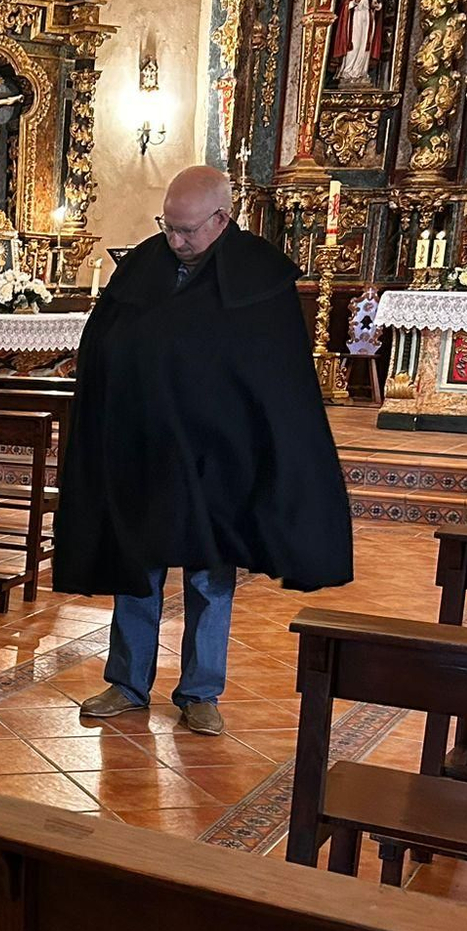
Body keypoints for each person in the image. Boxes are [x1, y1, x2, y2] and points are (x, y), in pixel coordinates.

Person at [55, 166, 352, 735]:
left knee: (209, 575)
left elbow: (277, 380)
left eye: (187, 230)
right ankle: (126, 682)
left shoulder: (259, 277)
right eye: (168, 227)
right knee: (135, 566)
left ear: (222, 218)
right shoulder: (143, 265)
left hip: (222, 458)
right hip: (143, 450)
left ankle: (200, 691)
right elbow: (105, 348)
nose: (175, 241)